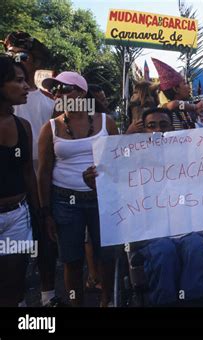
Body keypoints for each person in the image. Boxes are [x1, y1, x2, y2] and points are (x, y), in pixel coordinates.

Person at [85, 106, 203, 306]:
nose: (158, 130)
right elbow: (113, 190)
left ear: (172, 129)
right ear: (143, 131)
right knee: (164, 251)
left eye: (163, 125)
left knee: (196, 248)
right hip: (153, 236)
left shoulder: (192, 155)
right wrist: (94, 182)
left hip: (193, 231)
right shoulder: (130, 162)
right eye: (151, 126)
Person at [37, 71, 119, 307]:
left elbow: (120, 161)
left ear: (82, 92)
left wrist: (103, 172)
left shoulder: (106, 122)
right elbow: (43, 172)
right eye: (56, 90)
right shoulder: (50, 128)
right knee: (71, 259)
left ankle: (107, 302)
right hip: (64, 201)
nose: (59, 94)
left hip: (102, 199)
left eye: (65, 88)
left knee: (106, 256)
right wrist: (46, 212)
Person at [2, 31, 63, 307]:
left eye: (23, 56)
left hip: (37, 189)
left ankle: (48, 296)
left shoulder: (49, 103)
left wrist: (42, 206)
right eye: (12, 55)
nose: (17, 59)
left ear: (34, 60)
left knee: (43, 244)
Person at [0, 55, 40, 306]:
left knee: (14, 285)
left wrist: (41, 213)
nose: (26, 86)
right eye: (18, 80)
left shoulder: (23, 126)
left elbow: (28, 173)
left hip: (17, 219)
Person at [151, 58, 203, 130]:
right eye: (185, 83)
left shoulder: (186, 109)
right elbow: (175, 104)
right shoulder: (165, 108)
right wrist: (195, 107)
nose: (189, 87)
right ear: (176, 89)